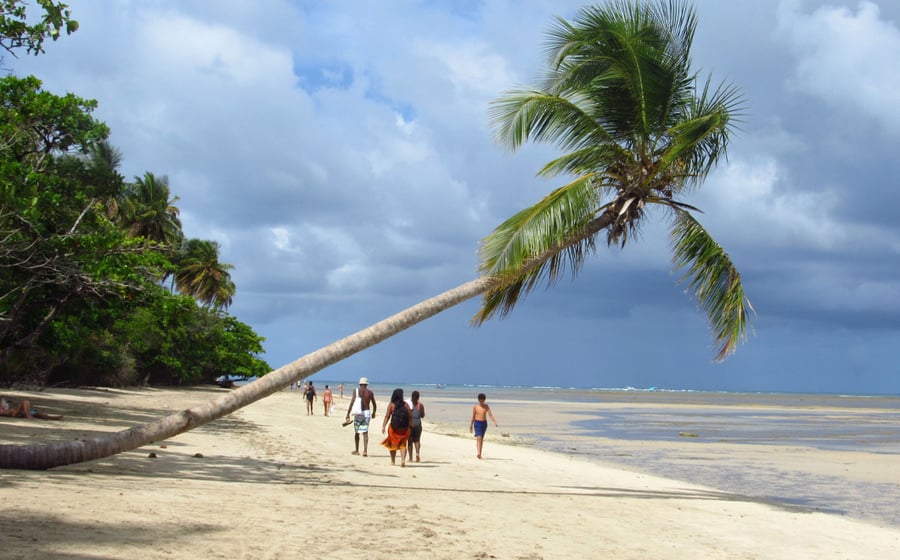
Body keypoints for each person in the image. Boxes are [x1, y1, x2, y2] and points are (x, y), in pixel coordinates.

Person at [345, 377, 377, 456]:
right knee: (365, 432)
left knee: (357, 432)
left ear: (360, 384)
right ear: (366, 384)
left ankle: (357, 450)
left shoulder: (356, 391)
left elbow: (352, 402)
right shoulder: (370, 392)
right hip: (366, 412)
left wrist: (348, 414)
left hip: (358, 413)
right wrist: (373, 413)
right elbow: (374, 404)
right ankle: (365, 451)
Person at [381, 388, 412, 467]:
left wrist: (384, 426)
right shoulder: (406, 404)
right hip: (404, 429)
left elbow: (387, 416)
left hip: (394, 428)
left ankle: (393, 461)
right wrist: (410, 426)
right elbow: (410, 416)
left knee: (392, 443)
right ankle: (402, 460)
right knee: (403, 444)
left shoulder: (391, 405)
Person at [469, 393, 498, 459]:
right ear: (478, 400)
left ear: (484, 400)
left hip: (484, 423)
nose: (482, 402)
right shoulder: (475, 407)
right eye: (480, 401)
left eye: (483, 401)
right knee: (479, 437)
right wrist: (471, 425)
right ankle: (478, 453)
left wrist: (495, 421)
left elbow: (490, 415)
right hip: (477, 423)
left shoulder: (486, 406)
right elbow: (473, 417)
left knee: (481, 439)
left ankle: (480, 454)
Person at [407, 390, 425, 463]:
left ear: (411, 396)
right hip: (418, 424)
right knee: (417, 440)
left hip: (410, 424)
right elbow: (422, 415)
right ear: (418, 397)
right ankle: (417, 453)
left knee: (410, 441)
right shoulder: (420, 405)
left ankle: (411, 458)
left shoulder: (408, 404)